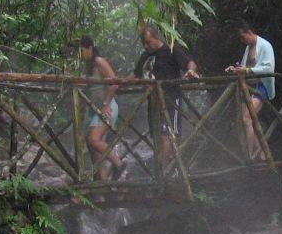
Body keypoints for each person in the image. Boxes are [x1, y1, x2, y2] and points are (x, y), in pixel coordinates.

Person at [132, 24, 198, 169]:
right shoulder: (145, 56)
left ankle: (164, 169)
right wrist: (117, 83)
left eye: (148, 42)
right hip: (153, 102)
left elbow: (189, 63)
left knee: (168, 134)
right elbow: (136, 75)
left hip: (171, 100)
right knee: (157, 135)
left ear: (156, 38)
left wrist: (191, 71)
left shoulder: (171, 50)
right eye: (143, 43)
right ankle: (164, 169)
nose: (146, 46)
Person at [225, 21, 275, 161]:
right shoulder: (248, 48)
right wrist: (235, 69)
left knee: (247, 119)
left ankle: (249, 156)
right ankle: (262, 155)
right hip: (247, 87)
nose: (242, 41)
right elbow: (243, 66)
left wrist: (247, 70)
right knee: (249, 121)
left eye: (242, 37)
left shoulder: (265, 46)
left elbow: (268, 69)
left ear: (249, 32)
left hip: (260, 87)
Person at [80, 36, 125, 181]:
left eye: (81, 50)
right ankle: (102, 180)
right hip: (95, 109)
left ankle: (119, 164)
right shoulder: (88, 65)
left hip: (108, 107)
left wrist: (106, 104)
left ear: (90, 48)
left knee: (93, 139)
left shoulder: (99, 61)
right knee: (90, 143)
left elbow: (114, 82)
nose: (80, 54)